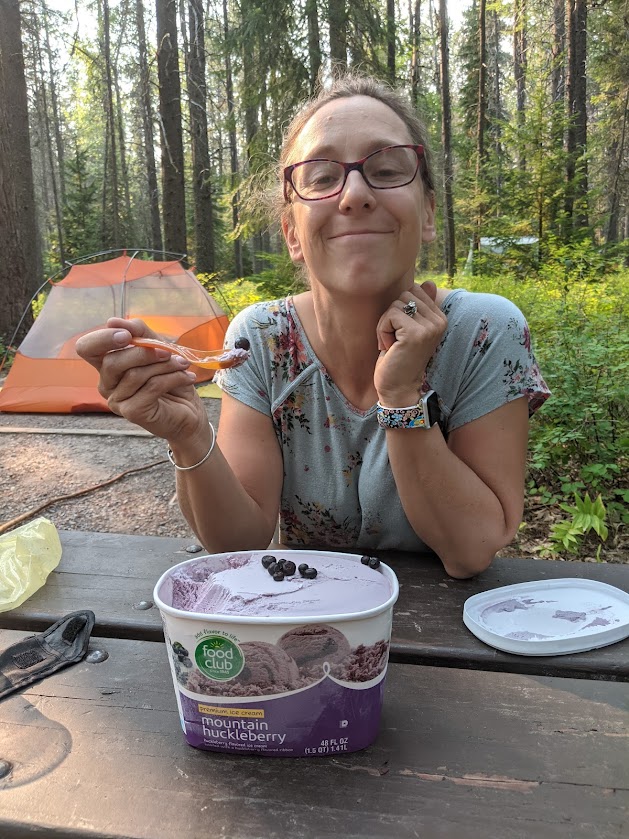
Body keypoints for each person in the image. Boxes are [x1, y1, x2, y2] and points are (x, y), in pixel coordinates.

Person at [77, 74, 550, 579]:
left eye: (387, 169)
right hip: (311, 628)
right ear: (291, 233)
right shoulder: (261, 339)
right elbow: (241, 542)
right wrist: (190, 436)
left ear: (428, 214)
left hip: (455, 638)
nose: (354, 195)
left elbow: (471, 551)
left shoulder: (484, 332)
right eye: (323, 178)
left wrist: (401, 398)